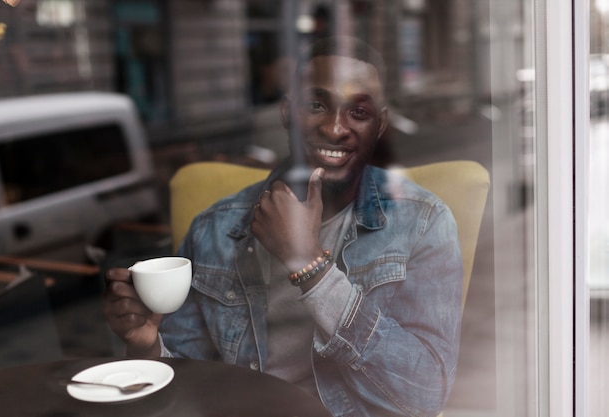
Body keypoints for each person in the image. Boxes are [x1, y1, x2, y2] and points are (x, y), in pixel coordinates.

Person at [104, 36, 463, 417]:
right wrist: (146, 348)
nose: (335, 128)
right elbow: (188, 383)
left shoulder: (423, 223)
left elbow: (424, 396)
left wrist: (310, 266)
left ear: (380, 125)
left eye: (359, 112)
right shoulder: (214, 227)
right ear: (287, 111)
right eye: (315, 105)